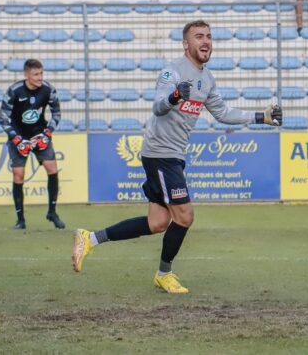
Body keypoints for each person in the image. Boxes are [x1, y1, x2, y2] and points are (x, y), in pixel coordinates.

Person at [71, 20, 282, 294]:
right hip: (161, 153)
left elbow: (222, 113)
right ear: (186, 44)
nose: (205, 41)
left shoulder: (206, 79)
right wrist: (173, 96)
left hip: (172, 155)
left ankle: (90, 238)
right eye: (198, 37)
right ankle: (164, 273)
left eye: (208, 36)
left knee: (157, 223)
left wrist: (260, 117)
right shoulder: (172, 72)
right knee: (185, 216)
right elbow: (158, 107)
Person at [0, 58, 65, 230]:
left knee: (52, 169)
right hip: (18, 138)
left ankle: (52, 212)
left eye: (41, 73)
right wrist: (16, 139)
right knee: (18, 175)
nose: (40, 77)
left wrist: (47, 133)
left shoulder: (48, 90)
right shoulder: (14, 91)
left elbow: (57, 113)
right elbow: (3, 119)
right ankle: (20, 219)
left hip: (39, 135)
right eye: (36, 74)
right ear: (26, 74)